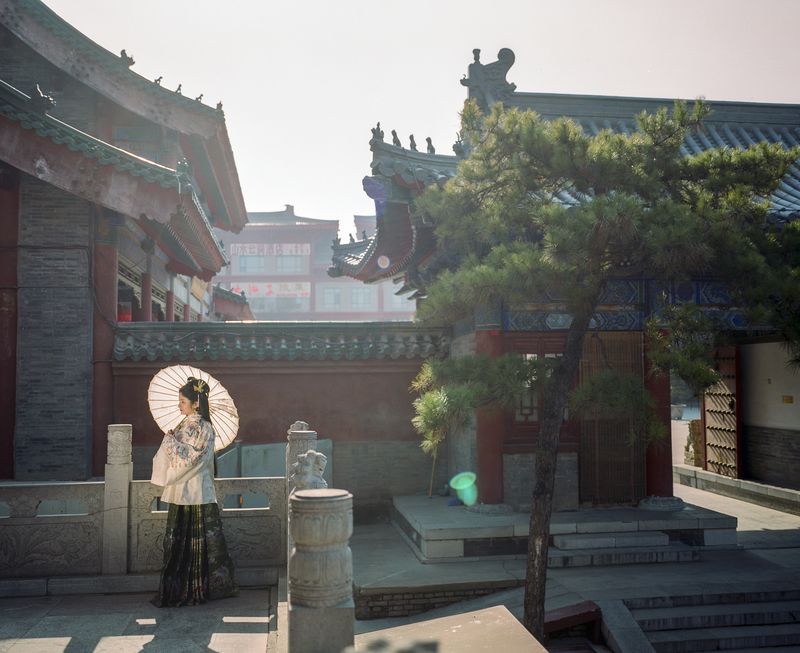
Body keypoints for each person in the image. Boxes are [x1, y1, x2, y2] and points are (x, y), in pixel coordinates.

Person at [151, 377, 237, 607]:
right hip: (185, 488)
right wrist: (173, 439)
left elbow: (193, 458)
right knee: (188, 541)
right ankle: (189, 587)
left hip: (195, 488)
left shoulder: (203, 427)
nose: (179, 405)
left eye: (182, 401)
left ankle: (192, 588)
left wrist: (170, 442)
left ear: (196, 403)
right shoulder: (188, 426)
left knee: (193, 541)